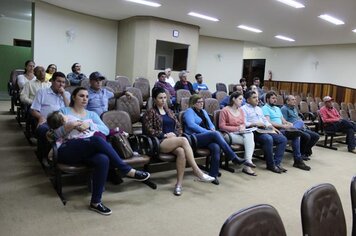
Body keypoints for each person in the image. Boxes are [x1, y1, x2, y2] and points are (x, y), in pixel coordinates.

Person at [47, 87, 150, 215]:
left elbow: (106, 130)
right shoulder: (63, 111)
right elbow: (52, 134)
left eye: (86, 96)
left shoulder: (92, 114)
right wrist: (69, 127)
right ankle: (126, 169)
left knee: (103, 159)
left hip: (87, 148)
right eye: (81, 96)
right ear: (74, 97)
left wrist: (89, 125)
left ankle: (96, 202)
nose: (85, 98)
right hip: (68, 149)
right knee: (96, 140)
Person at [143, 87, 214, 196]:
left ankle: (179, 185)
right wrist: (165, 135)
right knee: (184, 140)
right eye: (160, 98)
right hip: (160, 141)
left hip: (174, 140)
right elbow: (148, 130)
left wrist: (175, 134)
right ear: (154, 99)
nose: (163, 100)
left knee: (181, 151)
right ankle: (197, 170)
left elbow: (179, 127)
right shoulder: (150, 112)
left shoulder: (170, 112)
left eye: (165, 98)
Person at [184, 94, 248, 185]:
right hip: (194, 138)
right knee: (215, 134)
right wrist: (208, 132)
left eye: (202, 102)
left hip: (206, 137)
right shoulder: (189, 111)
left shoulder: (203, 111)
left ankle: (213, 175)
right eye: (199, 102)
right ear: (193, 103)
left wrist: (212, 128)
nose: (201, 104)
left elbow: (211, 124)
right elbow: (191, 125)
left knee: (216, 147)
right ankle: (233, 157)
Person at [262, 91, 311, 171]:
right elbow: (268, 122)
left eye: (276, 98)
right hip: (273, 130)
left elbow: (283, 120)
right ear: (267, 99)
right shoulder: (265, 108)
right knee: (293, 135)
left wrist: (289, 123)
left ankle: (297, 161)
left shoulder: (277, 108)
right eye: (273, 98)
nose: (275, 100)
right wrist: (283, 126)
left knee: (296, 134)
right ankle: (277, 163)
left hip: (282, 128)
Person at [241, 91, 287, 174]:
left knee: (282, 139)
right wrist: (254, 123)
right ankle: (271, 165)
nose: (257, 99)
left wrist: (272, 127)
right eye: (254, 97)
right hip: (253, 131)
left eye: (257, 97)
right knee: (268, 139)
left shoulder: (259, 108)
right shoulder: (243, 109)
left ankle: (277, 163)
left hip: (264, 129)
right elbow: (243, 123)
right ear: (248, 100)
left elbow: (265, 120)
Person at [30, 72, 71, 162]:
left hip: (64, 122)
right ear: (52, 81)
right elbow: (33, 110)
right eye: (58, 81)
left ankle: (63, 157)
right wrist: (40, 117)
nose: (61, 84)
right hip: (47, 122)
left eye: (63, 82)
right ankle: (45, 155)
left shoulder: (66, 94)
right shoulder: (42, 92)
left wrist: (63, 95)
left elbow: (69, 110)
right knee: (43, 130)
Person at [219, 92, 256, 176]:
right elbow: (221, 126)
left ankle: (247, 162)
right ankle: (248, 163)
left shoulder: (241, 110)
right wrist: (237, 128)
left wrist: (242, 127)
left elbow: (243, 123)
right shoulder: (225, 110)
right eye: (240, 99)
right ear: (233, 99)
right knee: (250, 141)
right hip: (228, 135)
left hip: (241, 133)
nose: (242, 101)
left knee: (250, 134)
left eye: (242, 99)